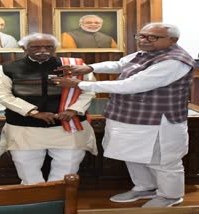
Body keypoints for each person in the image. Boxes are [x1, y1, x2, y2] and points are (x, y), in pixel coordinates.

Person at [52, 23, 196, 207]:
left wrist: (80, 85)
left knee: (162, 161)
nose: (144, 40)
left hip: (158, 121)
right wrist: (90, 68)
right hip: (129, 117)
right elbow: (121, 64)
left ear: (173, 40)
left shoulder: (174, 61)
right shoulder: (145, 52)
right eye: (141, 36)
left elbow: (131, 85)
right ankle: (144, 187)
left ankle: (170, 196)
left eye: (152, 37)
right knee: (132, 155)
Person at [0, 33, 98, 185]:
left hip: (68, 127)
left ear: (55, 48)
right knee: (27, 171)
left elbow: (89, 90)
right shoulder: (8, 68)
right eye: (36, 47)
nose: (43, 50)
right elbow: (2, 95)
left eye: (48, 47)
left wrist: (74, 109)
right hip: (25, 129)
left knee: (66, 170)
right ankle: (36, 201)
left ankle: (57, 200)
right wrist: (33, 112)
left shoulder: (73, 66)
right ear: (24, 48)